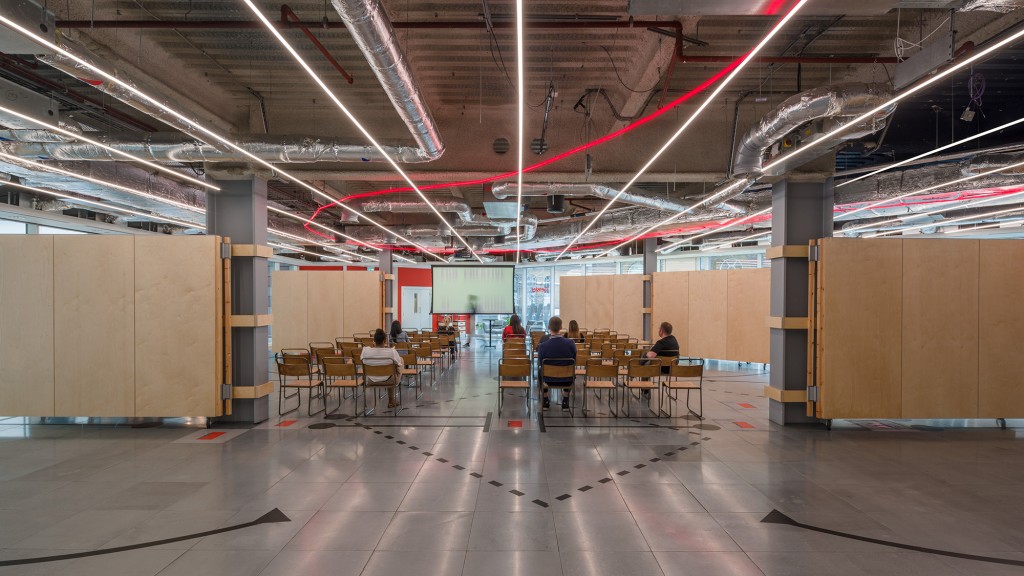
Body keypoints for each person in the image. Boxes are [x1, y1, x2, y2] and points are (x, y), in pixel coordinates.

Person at [536, 316, 577, 411]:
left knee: (540, 371)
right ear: (561, 327)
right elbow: (574, 361)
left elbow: (541, 363)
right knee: (571, 369)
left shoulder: (542, 346)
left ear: (548, 327)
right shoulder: (571, 343)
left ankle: (545, 399)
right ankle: (565, 399)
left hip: (548, 379)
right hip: (567, 379)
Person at [361, 328, 403, 408]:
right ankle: (391, 400)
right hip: (390, 381)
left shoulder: (365, 351)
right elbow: (398, 365)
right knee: (399, 362)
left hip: (370, 380)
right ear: (385, 340)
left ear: (374, 341)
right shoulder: (391, 352)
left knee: (390, 370)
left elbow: (362, 361)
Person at [643, 322, 680, 397]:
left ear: (661, 331)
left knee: (645, 363)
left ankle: (645, 387)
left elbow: (650, 355)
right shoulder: (674, 340)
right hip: (672, 368)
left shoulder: (661, 342)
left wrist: (644, 355)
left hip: (660, 368)